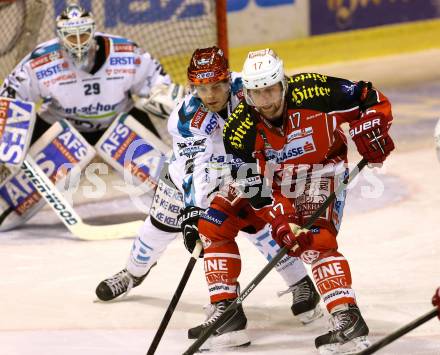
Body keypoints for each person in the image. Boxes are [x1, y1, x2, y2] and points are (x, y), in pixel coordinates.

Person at [95, 47, 322, 331]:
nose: (211, 94)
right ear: (193, 87)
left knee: (261, 225)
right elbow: (194, 169)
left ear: (228, 79)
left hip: (245, 168)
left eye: (216, 86)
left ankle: (301, 283)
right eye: (202, 88)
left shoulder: (252, 88)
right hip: (191, 176)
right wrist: (193, 212)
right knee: (158, 228)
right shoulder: (187, 116)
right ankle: (132, 273)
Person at [192, 48, 395, 354]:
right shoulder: (239, 127)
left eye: (271, 90)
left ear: (283, 83)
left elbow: (369, 97)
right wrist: (282, 219)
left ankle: (347, 319)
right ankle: (226, 314)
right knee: (213, 224)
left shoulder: (316, 91)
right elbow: (252, 185)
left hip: (321, 171)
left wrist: (371, 126)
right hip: (271, 181)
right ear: (245, 92)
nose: (267, 101)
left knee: (316, 241)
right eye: (257, 93)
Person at [0, 3, 183, 231]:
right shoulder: (41, 62)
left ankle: (177, 201)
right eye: (71, 37)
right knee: (12, 198)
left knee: (173, 197)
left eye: (84, 34)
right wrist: (9, 143)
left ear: (94, 31)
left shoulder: (126, 53)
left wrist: (163, 97)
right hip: (61, 125)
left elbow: (159, 84)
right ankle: (5, 200)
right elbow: (10, 98)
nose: (78, 42)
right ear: (59, 37)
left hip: (116, 123)